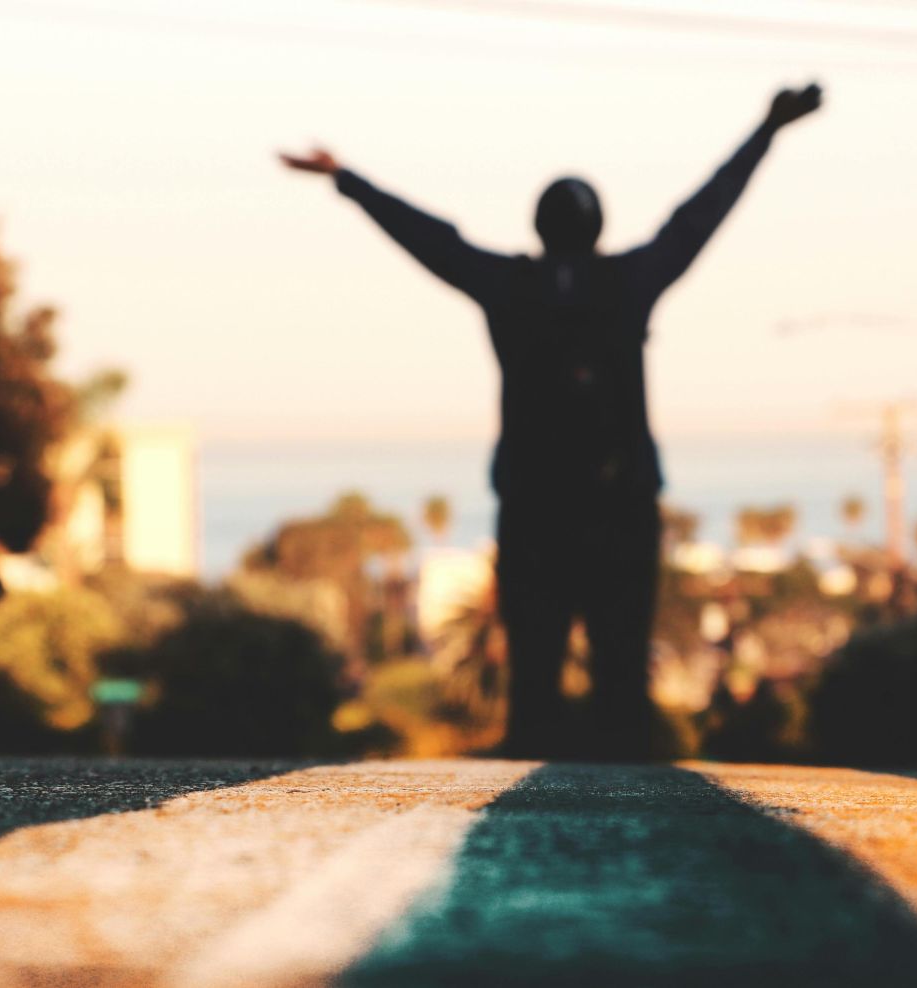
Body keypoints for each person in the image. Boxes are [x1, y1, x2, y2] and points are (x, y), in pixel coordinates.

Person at [281, 83, 823, 758]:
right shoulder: (628, 281)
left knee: (533, 685)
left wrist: (346, 180)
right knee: (621, 683)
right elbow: (699, 216)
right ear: (599, 228)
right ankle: (626, 837)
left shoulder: (510, 285)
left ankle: (527, 839)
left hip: (535, 509)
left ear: (539, 228)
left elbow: (429, 240)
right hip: (619, 507)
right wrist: (766, 129)